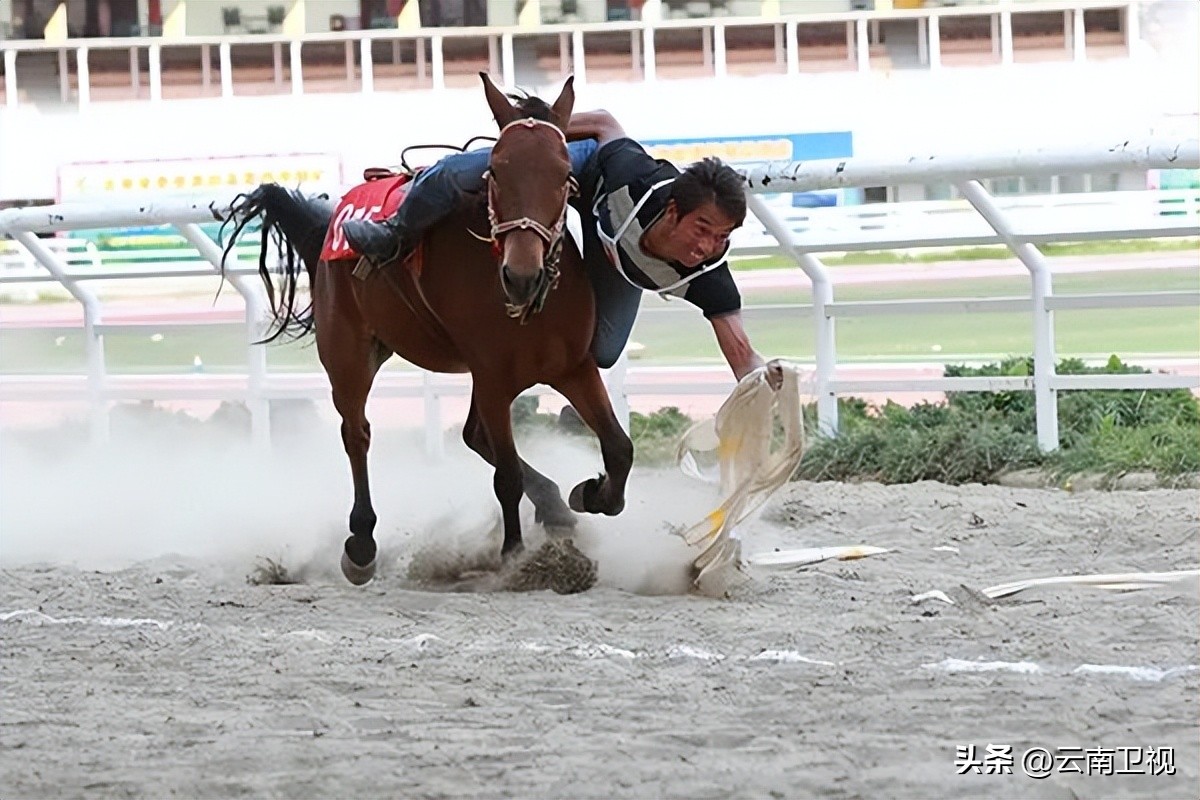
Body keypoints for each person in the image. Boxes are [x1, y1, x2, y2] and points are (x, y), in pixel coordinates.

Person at [343, 105, 781, 385]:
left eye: (722, 236)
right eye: (702, 229)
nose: (708, 246)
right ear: (672, 212)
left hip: (612, 249)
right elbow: (607, 122)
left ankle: (578, 414)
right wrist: (535, 135)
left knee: (604, 353)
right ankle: (393, 235)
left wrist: (765, 378)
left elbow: (744, 358)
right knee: (456, 172)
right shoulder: (633, 176)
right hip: (588, 172)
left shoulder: (710, 276)